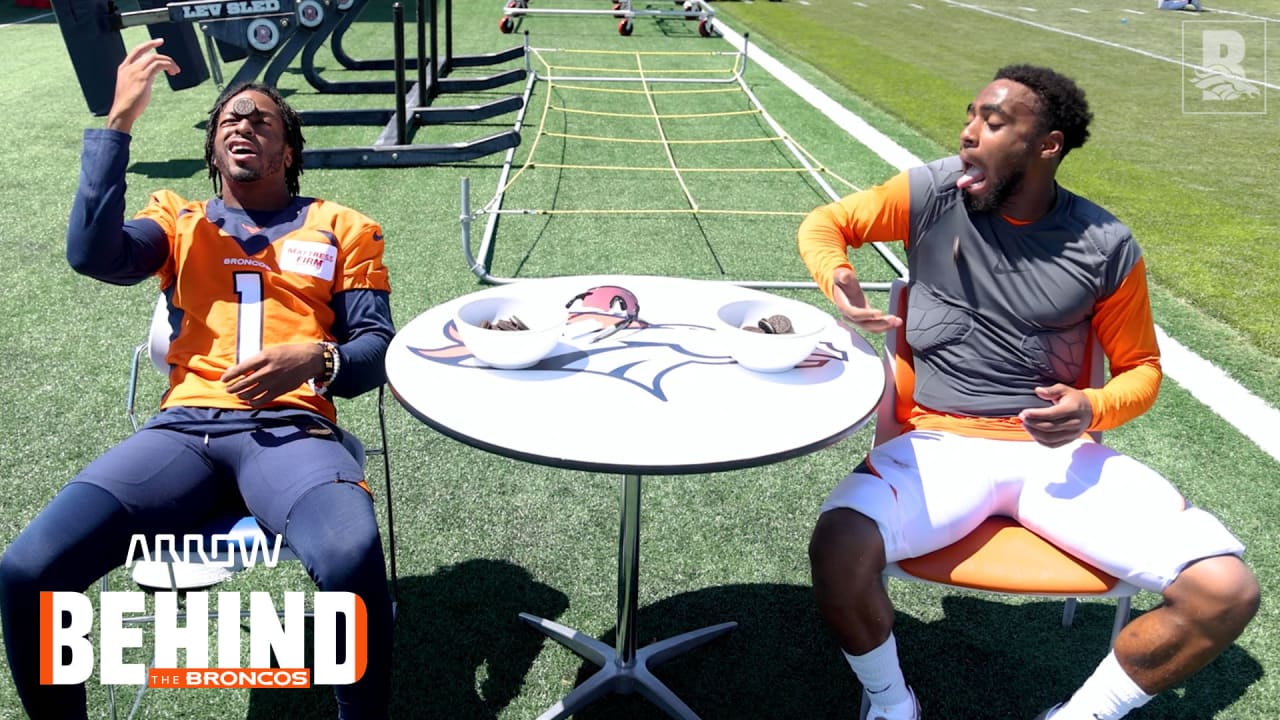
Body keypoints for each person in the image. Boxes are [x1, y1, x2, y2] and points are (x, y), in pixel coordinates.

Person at [798, 65, 1257, 720]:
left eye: (993, 121)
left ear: (1048, 145)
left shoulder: (1106, 245)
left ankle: (1083, 715)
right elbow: (825, 224)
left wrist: (1090, 408)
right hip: (939, 443)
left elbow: (1142, 369)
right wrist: (837, 275)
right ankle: (891, 703)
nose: (968, 134)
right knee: (838, 547)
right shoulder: (930, 193)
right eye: (970, 117)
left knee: (1225, 589)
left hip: (1056, 458)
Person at [0, 39, 395, 719]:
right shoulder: (178, 220)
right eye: (228, 121)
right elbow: (91, 255)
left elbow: (376, 350)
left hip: (289, 432)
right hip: (184, 433)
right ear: (213, 150)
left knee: (351, 553)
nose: (242, 124)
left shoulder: (344, 228)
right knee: (28, 569)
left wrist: (317, 358)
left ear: (288, 150)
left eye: (261, 119)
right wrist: (116, 123)